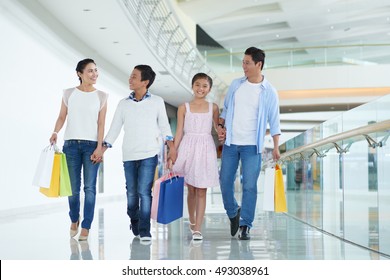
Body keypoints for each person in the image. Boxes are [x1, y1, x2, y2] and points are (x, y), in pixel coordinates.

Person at [102, 64, 177, 242]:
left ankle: (145, 229)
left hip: (149, 154)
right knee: (131, 194)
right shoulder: (123, 104)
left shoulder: (157, 102)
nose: (130, 79)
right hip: (128, 154)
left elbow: (165, 127)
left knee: (144, 192)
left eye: (134, 76)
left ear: (145, 82)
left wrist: (171, 148)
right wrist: (102, 148)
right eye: (130, 75)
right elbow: (114, 129)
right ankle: (134, 218)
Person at [217, 47, 281, 240]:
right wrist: (221, 127)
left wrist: (276, 146)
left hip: (252, 146)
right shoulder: (236, 85)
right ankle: (233, 212)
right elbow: (225, 110)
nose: (243, 66)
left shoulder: (269, 91)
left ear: (258, 64)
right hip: (230, 143)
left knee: (250, 186)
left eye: (247, 63)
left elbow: (275, 120)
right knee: (225, 181)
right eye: (243, 62)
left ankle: (245, 224)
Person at [50, 58, 108, 241]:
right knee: (73, 189)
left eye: (96, 71)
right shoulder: (68, 94)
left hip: (92, 146)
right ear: (79, 74)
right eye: (90, 71)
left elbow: (101, 124)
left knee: (89, 188)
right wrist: (55, 132)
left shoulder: (102, 96)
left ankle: (86, 226)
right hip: (71, 146)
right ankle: (74, 218)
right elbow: (61, 117)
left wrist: (100, 148)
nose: (94, 74)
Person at [173, 73, 220, 241]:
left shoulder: (213, 107)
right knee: (191, 188)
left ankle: (198, 229)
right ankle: (192, 222)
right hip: (188, 147)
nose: (201, 88)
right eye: (197, 85)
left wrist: (222, 131)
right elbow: (179, 131)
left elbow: (217, 127)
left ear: (209, 89)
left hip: (206, 147)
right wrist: (173, 150)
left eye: (205, 86)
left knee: (202, 189)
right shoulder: (183, 107)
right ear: (192, 86)